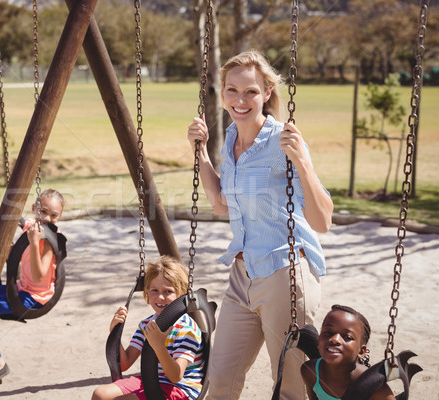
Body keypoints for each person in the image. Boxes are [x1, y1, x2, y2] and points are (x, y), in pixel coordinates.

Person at [186, 49, 334, 399]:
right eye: (232, 90)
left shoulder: (284, 140)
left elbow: (322, 220)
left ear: (267, 92)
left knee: (290, 387)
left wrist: (303, 163)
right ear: (222, 93)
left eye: (251, 91)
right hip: (241, 278)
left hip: (284, 274)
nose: (240, 99)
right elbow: (221, 203)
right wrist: (202, 152)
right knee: (220, 380)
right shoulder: (232, 139)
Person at [0, 188, 65, 388]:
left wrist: (35, 244)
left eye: (54, 215)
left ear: (60, 217)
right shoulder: (30, 228)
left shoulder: (50, 241)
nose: (47, 218)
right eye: (43, 211)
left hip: (34, 297)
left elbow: (39, 275)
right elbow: (15, 254)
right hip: (22, 288)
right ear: (33, 209)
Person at [92, 255, 204, 400]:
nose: (160, 297)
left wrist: (159, 346)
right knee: (100, 394)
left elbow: (176, 376)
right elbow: (124, 363)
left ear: (182, 293)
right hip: (150, 381)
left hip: (180, 389)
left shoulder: (186, 329)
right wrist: (114, 332)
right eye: (154, 290)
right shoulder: (146, 325)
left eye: (168, 291)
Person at [301, 305, 395, 400]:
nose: (335, 339)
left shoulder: (375, 387)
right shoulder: (310, 371)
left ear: (361, 351)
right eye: (328, 332)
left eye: (348, 337)